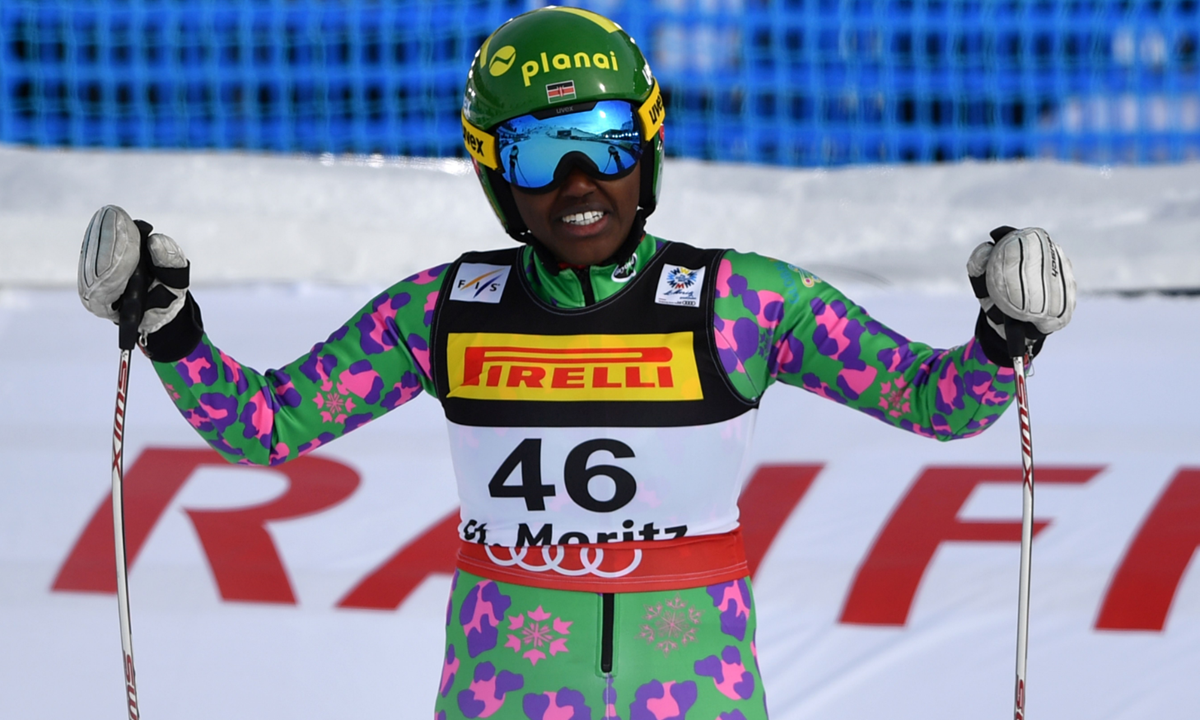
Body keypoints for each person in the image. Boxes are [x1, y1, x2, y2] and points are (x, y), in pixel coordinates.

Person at [77, 7, 1076, 719]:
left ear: (648, 147)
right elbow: (263, 425)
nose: (577, 180)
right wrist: (170, 326)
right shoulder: (446, 310)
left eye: (603, 140)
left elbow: (937, 403)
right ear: (494, 175)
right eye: (537, 152)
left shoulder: (744, 303)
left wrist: (1004, 334)